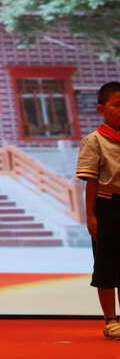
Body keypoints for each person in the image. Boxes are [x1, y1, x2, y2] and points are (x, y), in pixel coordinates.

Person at [77, 81, 120, 340]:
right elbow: (91, 181)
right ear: (101, 109)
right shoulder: (94, 141)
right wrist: (91, 215)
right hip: (107, 206)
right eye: (117, 105)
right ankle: (110, 319)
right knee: (106, 265)